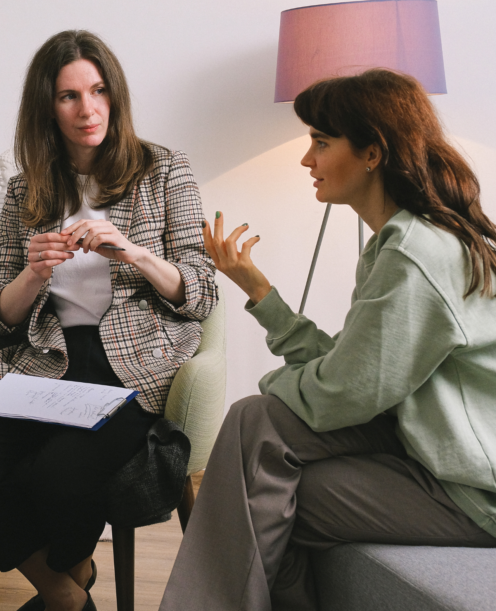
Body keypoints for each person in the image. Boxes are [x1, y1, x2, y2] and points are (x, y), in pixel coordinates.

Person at [160, 69, 496, 610]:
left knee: (257, 427)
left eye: (321, 141)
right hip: (423, 451)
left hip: (470, 491)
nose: (306, 159)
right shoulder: (398, 244)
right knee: (266, 476)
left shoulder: (417, 255)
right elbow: (354, 371)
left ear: (372, 153)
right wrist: (260, 291)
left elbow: (346, 392)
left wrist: (276, 382)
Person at [0, 30, 218, 611]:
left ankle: (66, 583)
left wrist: (134, 253)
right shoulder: (26, 191)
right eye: (68, 96)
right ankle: (66, 591)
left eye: (97, 91)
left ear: (114, 96)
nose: (86, 109)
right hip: (48, 358)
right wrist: (32, 274)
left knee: (60, 473)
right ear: (47, 106)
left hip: (134, 362)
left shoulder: (166, 171)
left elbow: (201, 293)